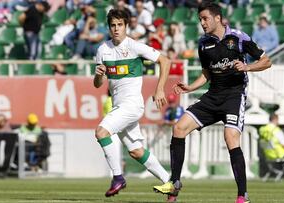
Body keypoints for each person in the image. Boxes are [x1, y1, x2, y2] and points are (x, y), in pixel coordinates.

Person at [153, 2, 271, 203]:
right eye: (200, 19)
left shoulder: (238, 38)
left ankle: (243, 195)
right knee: (179, 128)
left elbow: (266, 61)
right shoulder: (203, 43)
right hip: (212, 96)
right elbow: (207, 73)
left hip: (234, 95)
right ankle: (174, 184)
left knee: (230, 137)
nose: (202, 23)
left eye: (205, 18)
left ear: (218, 18)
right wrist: (191, 87)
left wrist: (247, 67)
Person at [93, 8, 171, 197]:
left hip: (132, 104)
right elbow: (97, 85)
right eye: (113, 25)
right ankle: (170, 183)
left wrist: (159, 88)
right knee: (136, 151)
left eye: (120, 25)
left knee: (101, 132)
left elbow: (165, 61)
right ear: (109, 28)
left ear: (127, 26)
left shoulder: (135, 46)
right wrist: (98, 76)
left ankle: (118, 177)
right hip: (119, 105)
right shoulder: (103, 50)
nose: (116, 29)